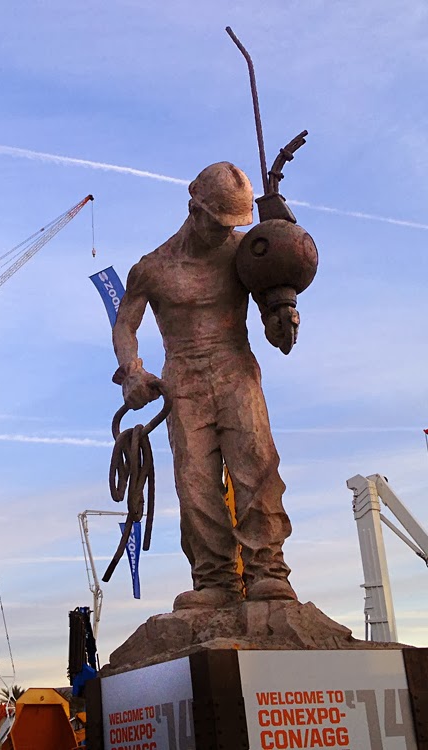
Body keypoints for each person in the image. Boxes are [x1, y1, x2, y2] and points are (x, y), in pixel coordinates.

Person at [111, 161, 301, 610]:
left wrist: (283, 322)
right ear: (194, 209)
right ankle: (215, 579)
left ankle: (268, 571)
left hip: (236, 370)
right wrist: (132, 371)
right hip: (184, 380)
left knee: (257, 468)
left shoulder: (245, 255)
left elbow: (272, 322)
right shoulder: (152, 268)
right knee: (195, 484)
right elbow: (125, 325)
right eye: (219, 223)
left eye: (234, 224)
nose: (226, 232)